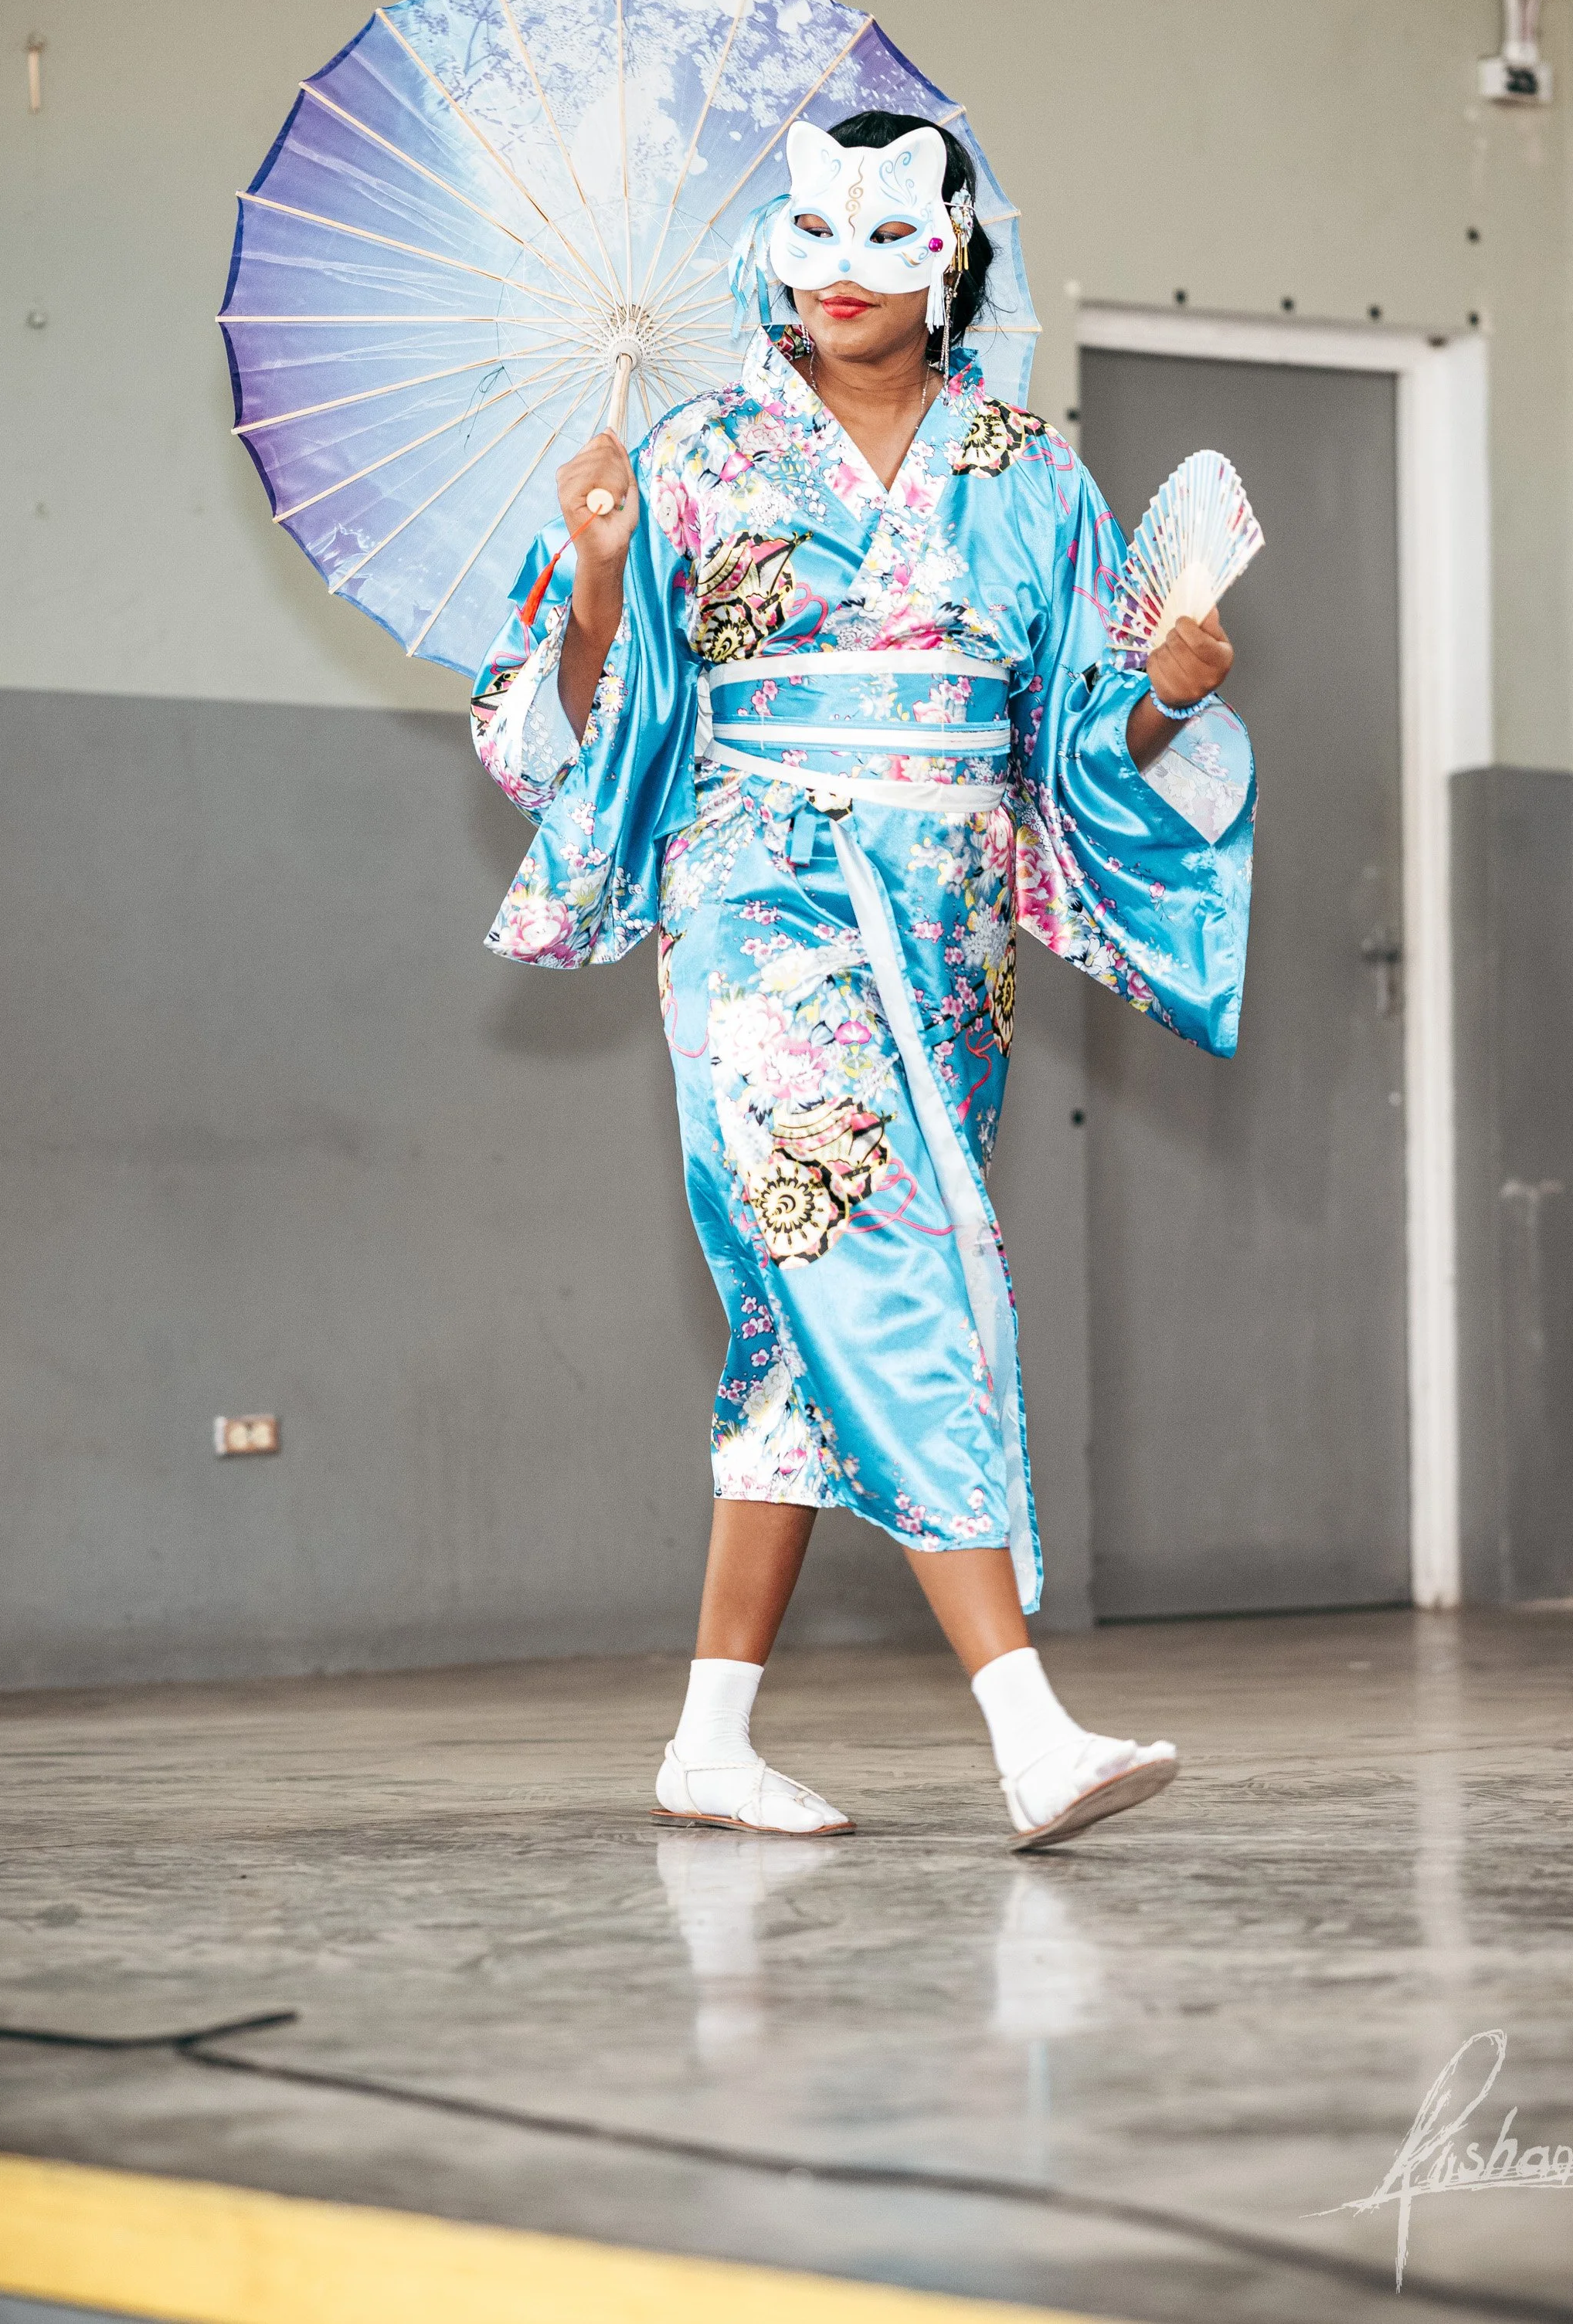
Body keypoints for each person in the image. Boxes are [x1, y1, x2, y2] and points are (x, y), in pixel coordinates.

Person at [472, 112, 1253, 1852]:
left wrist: (1175, 690)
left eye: (881, 233)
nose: (838, 262)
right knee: (875, 1254)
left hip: (947, 928)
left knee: (792, 1333)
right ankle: (1024, 1718)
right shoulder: (693, 457)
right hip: (758, 904)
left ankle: (708, 1739)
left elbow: (1076, 757)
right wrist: (598, 583)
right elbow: (568, 730)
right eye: (810, 228)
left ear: (948, 253)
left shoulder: (1026, 472)